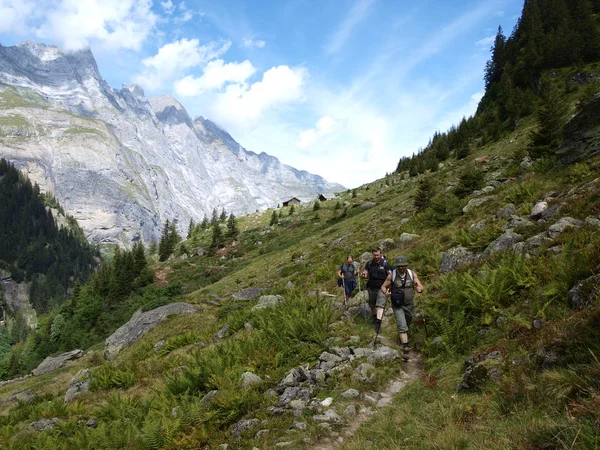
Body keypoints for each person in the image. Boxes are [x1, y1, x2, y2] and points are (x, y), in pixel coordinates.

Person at [381, 255, 424, 357]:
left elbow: (419, 285)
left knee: (407, 323)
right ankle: (405, 346)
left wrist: (420, 289)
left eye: (403, 266)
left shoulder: (411, 274)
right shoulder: (392, 275)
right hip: (397, 305)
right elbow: (383, 286)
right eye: (399, 266)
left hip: (409, 304)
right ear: (396, 266)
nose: (401, 268)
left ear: (406, 265)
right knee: (402, 325)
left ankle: (402, 339)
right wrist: (386, 292)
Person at [361, 248, 391, 331]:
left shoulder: (385, 263)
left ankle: (378, 323)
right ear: (372, 255)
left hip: (382, 287)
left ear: (380, 254)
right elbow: (366, 273)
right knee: (372, 305)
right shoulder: (369, 264)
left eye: (378, 255)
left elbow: (390, 275)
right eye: (375, 255)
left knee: (380, 305)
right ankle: (375, 318)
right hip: (371, 287)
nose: (376, 257)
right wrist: (364, 275)